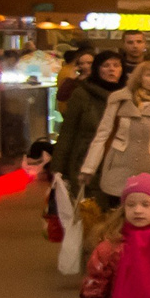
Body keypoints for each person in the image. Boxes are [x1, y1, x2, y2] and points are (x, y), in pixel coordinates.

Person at [79, 56, 150, 202]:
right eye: (149, 75)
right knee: (116, 211)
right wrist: (89, 168)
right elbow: (102, 135)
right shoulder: (119, 99)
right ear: (139, 78)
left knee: (146, 211)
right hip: (119, 165)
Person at [53, 51, 122, 199]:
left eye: (116, 65)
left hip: (119, 164)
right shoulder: (82, 94)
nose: (112, 69)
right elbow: (68, 132)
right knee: (89, 212)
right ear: (97, 69)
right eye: (106, 65)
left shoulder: (128, 96)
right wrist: (58, 169)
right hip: (84, 160)